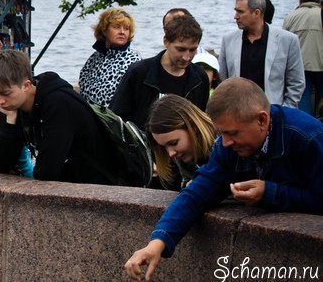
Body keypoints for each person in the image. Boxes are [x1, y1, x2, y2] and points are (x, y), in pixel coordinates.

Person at [123, 77, 323, 281]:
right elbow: (195, 195)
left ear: (262, 120)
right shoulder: (227, 148)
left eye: (232, 133)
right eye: (221, 133)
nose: (224, 143)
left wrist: (270, 193)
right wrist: (156, 243)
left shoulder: (308, 138)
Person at [0, 50, 119, 184]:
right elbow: (2, 164)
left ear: (26, 85)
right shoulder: (16, 104)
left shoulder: (58, 103)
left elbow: (47, 170)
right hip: (75, 185)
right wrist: (10, 121)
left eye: (5, 93)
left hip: (103, 186)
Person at [110, 15, 210, 130]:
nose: (186, 57)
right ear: (166, 41)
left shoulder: (200, 78)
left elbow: (200, 122)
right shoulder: (139, 72)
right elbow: (116, 117)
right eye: (180, 49)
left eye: (192, 50)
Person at [218, 0, 305, 107]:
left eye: (240, 12)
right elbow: (223, 79)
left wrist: (284, 110)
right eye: (235, 11)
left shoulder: (288, 40)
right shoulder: (228, 40)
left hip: (273, 112)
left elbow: (296, 82)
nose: (235, 16)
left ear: (256, 13)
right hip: (237, 112)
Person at [146, 95, 216, 190]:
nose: (171, 153)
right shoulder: (183, 159)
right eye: (164, 147)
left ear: (193, 127)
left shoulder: (224, 144)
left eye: (174, 143)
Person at [78, 7, 141, 107]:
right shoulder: (94, 58)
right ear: (104, 30)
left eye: (126, 28)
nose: (122, 32)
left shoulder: (133, 62)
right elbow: (82, 89)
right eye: (116, 27)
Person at [282, 0, 323, 116]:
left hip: (300, 66)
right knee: (321, 99)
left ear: (300, 0)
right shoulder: (320, 14)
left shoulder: (291, 16)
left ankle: (305, 125)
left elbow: (283, 44)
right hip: (320, 64)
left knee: (302, 99)